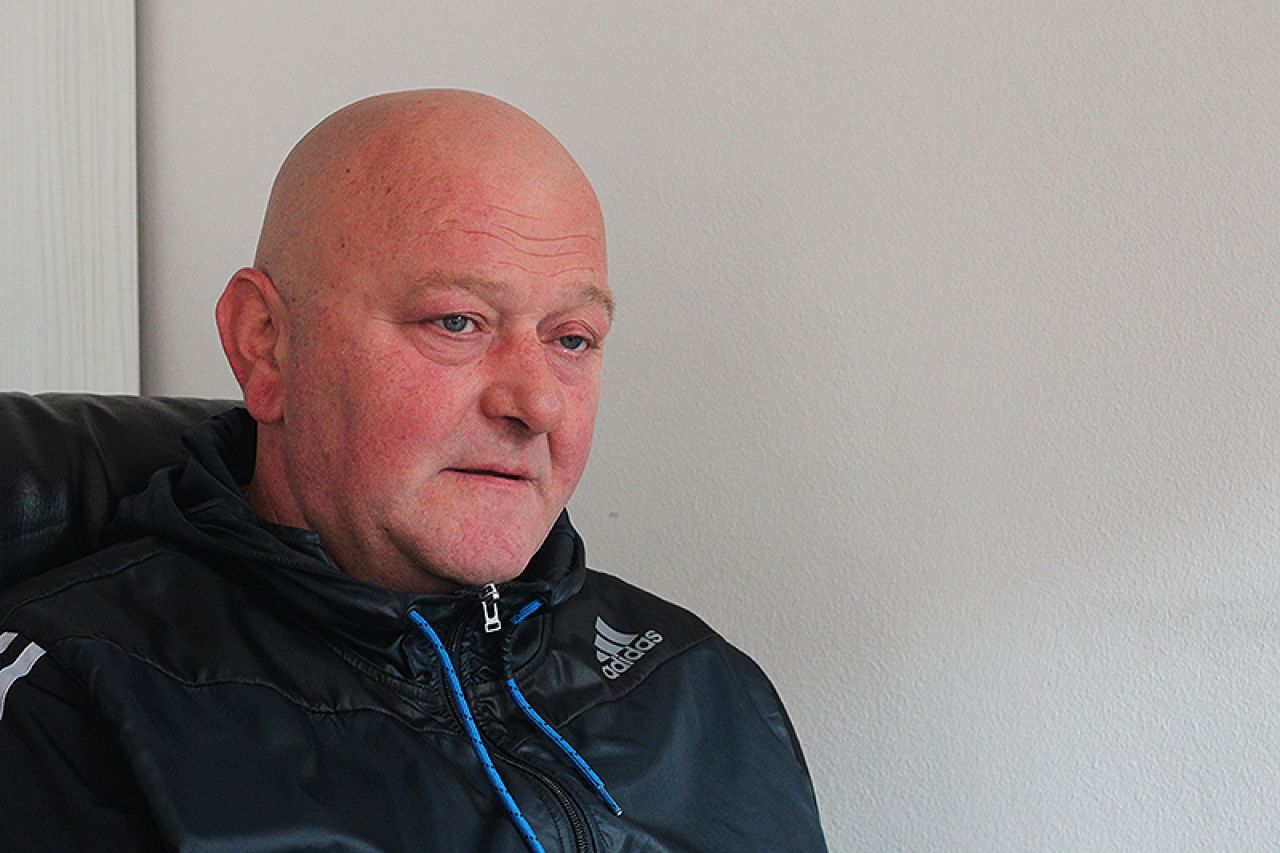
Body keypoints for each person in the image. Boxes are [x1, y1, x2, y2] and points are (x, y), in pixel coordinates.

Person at [0, 90, 826, 851]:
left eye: (572, 337)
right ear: (265, 343)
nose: (537, 403)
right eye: (458, 321)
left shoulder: (699, 682)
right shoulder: (73, 705)